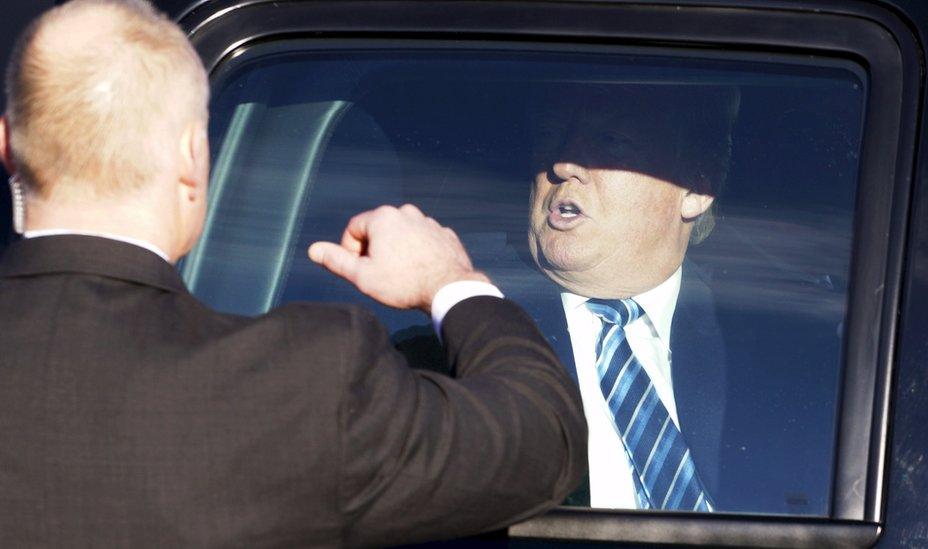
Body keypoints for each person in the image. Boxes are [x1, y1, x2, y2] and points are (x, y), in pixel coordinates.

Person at [0, 0, 586, 546]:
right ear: (191, 157)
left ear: (7, 145)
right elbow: (544, 436)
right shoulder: (298, 385)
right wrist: (451, 282)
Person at [523, 85, 738, 511]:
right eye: (551, 137)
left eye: (611, 143)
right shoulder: (463, 325)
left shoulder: (771, 350)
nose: (563, 164)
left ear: (696, 188)